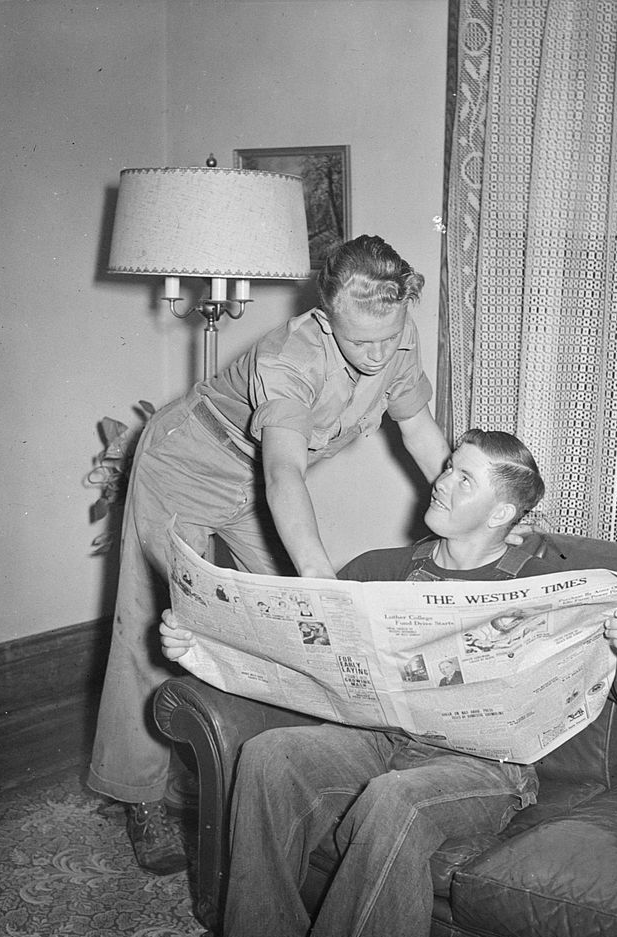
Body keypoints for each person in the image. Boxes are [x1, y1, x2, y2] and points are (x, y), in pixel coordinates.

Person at [160, 429, 617, 937]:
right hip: (377, 737)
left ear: (501, 511)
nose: (442, 481)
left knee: (392, 799)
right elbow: (292, 654)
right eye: (449, 466)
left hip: (482, 766)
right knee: (271, 755)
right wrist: (203, 648)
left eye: (463, 477)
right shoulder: (379, 568)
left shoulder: (543, 587)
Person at [88, 235, 459, 875]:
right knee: (156, 624)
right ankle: (138, 794)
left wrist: (467, 504)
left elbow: (421, 431)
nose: (378, 355)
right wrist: (318, 574)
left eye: (389, 336)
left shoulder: (395, 337)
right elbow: (284, 474)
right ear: (326, 314)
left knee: (302, 630)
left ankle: (287, 773)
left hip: (253, 480)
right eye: (360, 340)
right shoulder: (290, 355)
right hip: (186, 466)